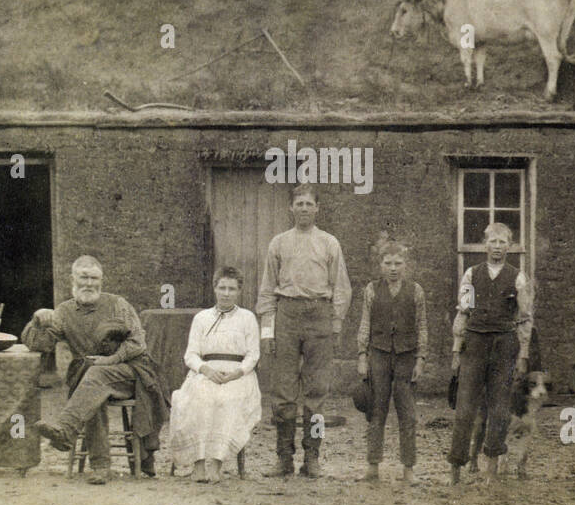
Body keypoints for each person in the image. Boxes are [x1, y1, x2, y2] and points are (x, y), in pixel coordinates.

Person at [27, 255, 169, 484]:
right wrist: (36, 322)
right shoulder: (63, 312)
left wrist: (111, 359)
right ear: (72, 279)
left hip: (131, 373)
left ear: (101, 280)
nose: (89, 284)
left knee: (93, 375)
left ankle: (65, 432)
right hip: (94, 377)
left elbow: (138, 343)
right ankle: (101, 467)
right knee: (91, 383)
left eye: (94, 278)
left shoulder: (117, 304)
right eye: (84, 277)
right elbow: (39, 344)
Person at [256, 183, 351, 478]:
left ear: (317, 208)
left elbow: (342, 288)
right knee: (283, 391)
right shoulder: (279, 243)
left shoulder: (329, 243)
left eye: (309, 204)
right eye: (299, 204)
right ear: (291, 208)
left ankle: (313, 457)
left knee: (317, 393)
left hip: (319, 314)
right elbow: (267, 290)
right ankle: (283, 458)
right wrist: (267, 332)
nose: (304, 209)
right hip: (287, 314)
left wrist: (335, 324)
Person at [448, 222, 533, 485]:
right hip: (474, 344)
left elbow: (525, 318)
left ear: (510, 246)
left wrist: (523, 354)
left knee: (499, 409)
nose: (497, 247)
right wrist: (455, 350)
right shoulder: (471, 275)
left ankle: (492, 469)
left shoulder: (518, 278)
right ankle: (456, 467)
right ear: (485, 245)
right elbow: (463, 313)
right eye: (493, 242)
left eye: (503, 242)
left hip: (504, 346)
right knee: (464, 409)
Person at [168, 267, 262, 484]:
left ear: (239, 291)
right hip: (206, 372)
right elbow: (190, 355)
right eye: (222, 288)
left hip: (238, 375)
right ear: (215, 288)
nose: (226, 293)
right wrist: (206, 370)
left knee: (227, 400)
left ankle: (217, 465)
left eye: (231, 289)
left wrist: (237, 373)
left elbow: (253, 354)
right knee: (198, 399)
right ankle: (199, 464)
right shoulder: (201, 318)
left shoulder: (247, 318)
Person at [355, 241, 427, 484]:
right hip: (379, 354)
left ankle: (409, 469)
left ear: (406, 265)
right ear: (380, 265)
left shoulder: (416, 290)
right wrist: (362, 355)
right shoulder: (372, 290)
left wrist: (421, 359)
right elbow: (365, 323)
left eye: (398, 263)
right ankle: (372, 467)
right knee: (377, 411)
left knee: (407, 413)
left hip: (406, 356)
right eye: (388, 263)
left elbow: (422, 326)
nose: (393, 268)